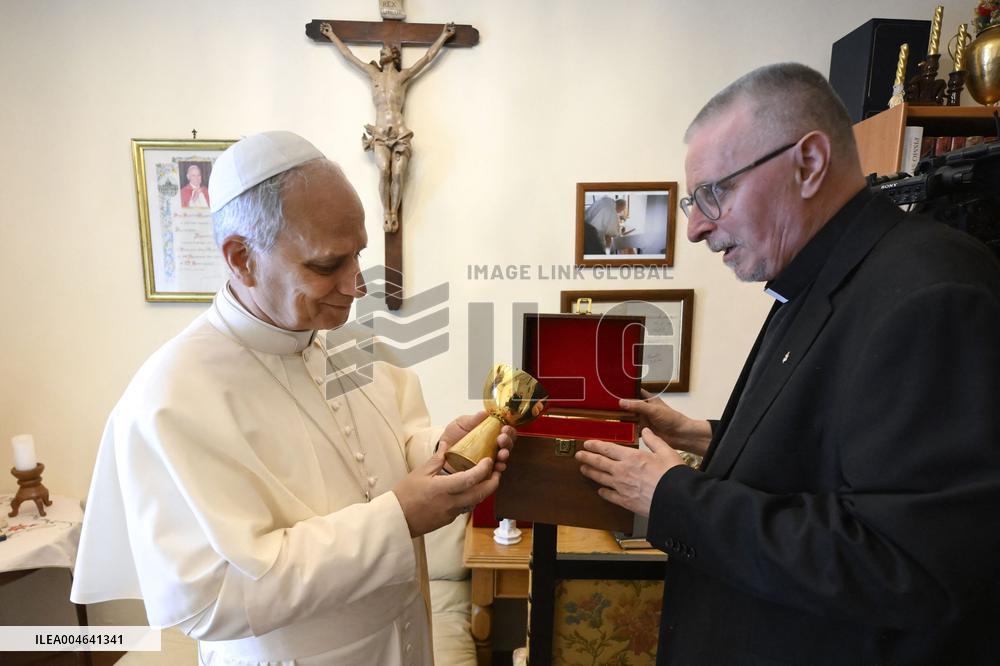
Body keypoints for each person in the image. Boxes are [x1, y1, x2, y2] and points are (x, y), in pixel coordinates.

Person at [575, 63, 1000, 664]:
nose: (696, 228)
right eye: (691, 204)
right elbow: (836, 457)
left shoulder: (931, 293)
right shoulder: (816, 277)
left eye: (713, 194)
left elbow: (907, 566)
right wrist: (706, 437)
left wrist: (675, 496)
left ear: (808, 163)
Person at [71, 131, 515, 665]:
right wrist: (397, 519)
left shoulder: (349, 344)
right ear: (242, 258)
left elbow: (388, 448)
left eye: (359, 256)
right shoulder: (170, 397)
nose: (357, 284)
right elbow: (205, 601)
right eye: (327, 265)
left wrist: (439, 450)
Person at [319, 21, 455, 233]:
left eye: (384, 50)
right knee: (384, 170)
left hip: (400, 134)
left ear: (393, 54)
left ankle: (394, 212)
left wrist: (444, 37)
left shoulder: (402, 77)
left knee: (398, 174)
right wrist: (332, 35)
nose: (380, 53)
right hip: (381, 134)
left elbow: (427, 57)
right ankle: (386, 212)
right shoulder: (374, 75)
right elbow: (349, 56)